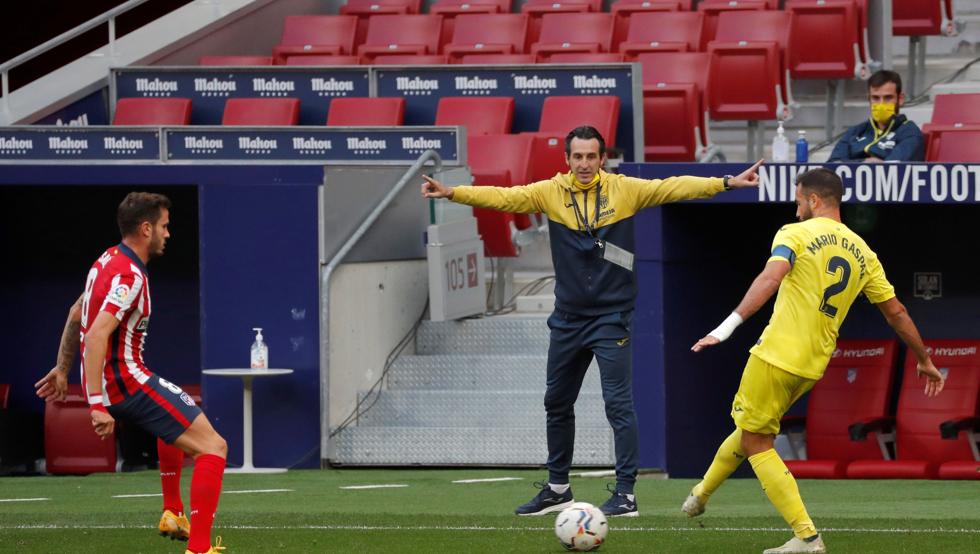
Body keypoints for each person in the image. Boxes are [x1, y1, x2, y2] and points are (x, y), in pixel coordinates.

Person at [421, 125, 764, 517]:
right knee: (556, 402)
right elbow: (504, 197)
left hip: (611, 318)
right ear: (567, 159)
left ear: (603, 159)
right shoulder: (550, 192)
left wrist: (725, 182)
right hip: (567, 319)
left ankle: (625, 494)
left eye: (590, 156)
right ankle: (557, 488)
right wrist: (453, 192)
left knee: (618, 405)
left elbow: (673, 187)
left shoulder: (625, 190)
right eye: (577, 156)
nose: (584, 164)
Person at [683, 168, 945, 554]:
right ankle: (701, 494)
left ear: (814, 200)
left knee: (756, 440)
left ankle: (806, 537)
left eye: (798, 200)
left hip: (776, 354)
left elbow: (770, 278)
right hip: (812, 365)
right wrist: (924, 359)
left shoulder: (794, 233)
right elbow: (897, 312)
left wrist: (726, 327)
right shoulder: (863, 252)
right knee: (752, 426)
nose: (796, 207)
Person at [34, 192, 228, 554]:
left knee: (175, 422)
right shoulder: (130, 275)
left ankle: (173, 512)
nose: (168, 234)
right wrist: (96, 405)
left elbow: (76, 313)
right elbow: (96, 334)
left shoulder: (106, 260)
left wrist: (62, 369)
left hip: (116, 380)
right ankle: (199, 549)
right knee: (214, 448)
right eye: (164, 226)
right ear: (146, 229)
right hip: (123, 382)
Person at [828, 70, 924, 163]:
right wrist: (865, 162)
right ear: (869, 99)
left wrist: (854, 163)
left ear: (900, 99)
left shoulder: (910, 133)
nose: (881, 104)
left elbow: (892, 167)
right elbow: (833, 163)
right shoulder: (855, 131)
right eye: (875, 98)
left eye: (888, 97)